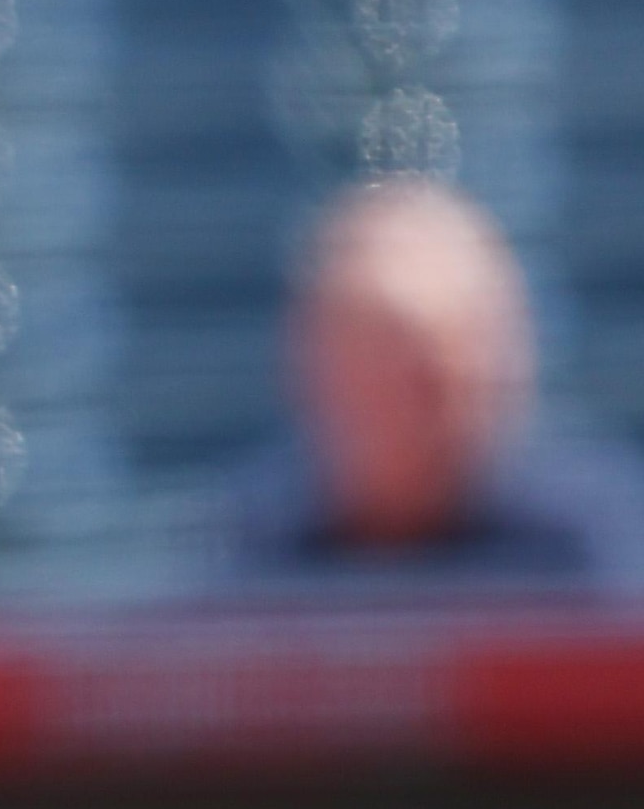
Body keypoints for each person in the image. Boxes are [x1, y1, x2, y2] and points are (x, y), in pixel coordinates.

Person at [212, 177, 644, 587]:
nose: (397, 413)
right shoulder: (248, 548)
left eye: (429, 383)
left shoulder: (599, 549)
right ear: (310, 367)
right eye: (370, 374)